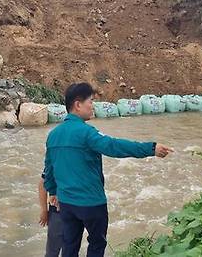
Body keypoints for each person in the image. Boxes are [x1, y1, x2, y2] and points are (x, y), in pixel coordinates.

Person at [43, 83, 173, 257]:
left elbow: (49, 168)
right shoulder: (87, 133)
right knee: (97, 244)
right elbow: (114, 146)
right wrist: (151, 148)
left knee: (69, 245)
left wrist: (53, 191)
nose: (93, 106)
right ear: (78, 104)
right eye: (91, 101)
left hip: (66, 203)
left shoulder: (53, 135)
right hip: (91, 203)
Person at [39, 171, 63, 257]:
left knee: (71, 250)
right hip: (57, 211)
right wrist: (44, 210)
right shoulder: (56, 158)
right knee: (52, 252)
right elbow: (43, 183)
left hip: (78, 210)